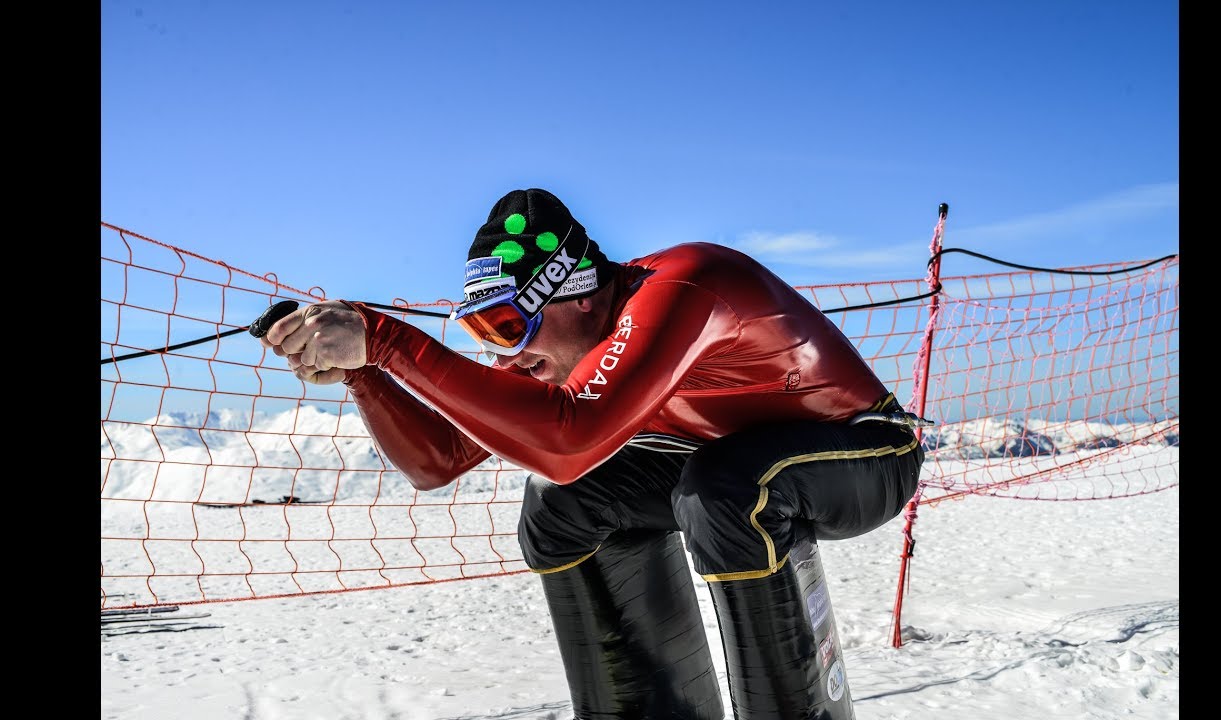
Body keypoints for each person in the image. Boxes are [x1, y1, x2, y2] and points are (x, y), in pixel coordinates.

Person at [260, 188, 925, 719]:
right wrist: (359, 373)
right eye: (485, 331)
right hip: (728, 456)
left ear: (574, 290)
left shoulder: (687, 285)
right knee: (562, 503)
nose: (505, 354)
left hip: (868, 447)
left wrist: (383, 339)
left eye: (508, 325)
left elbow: (567, 440)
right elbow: (436, 461)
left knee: (725, 490)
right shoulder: (564, 346)